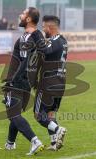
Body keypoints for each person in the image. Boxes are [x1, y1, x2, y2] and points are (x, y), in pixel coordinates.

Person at [2, 7, 45, 155]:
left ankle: (35, 141)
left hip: (18, 80)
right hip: (27, 82)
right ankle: (10, 143)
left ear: (28, 19)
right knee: (15, 114)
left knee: (13, 115)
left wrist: (12, 80)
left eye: (23, 13)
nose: (20, 15)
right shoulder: (35, 36)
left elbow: (24, 62)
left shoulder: (27, 37)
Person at [34, 15, 67, 151]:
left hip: (49, 82)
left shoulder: (55, 41)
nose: (43, 30)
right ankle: (54, 143)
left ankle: (58, 129)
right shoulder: (63, 40)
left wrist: (36, 39)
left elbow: (46, 50)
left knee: (38, 115)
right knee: (50, 114)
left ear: (50, 27)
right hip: (60, 81)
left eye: (43, 27)